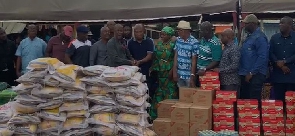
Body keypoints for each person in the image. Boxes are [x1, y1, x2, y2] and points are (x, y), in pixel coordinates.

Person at [149, 26, 178, 120]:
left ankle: (170, 117)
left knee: (170, 93)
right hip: (160, 72)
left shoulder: (173, 45)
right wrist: (152, 68)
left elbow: (175, 59)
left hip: (169, 72)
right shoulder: (159, 44)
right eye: (161, 34)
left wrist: (172, 71)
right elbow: (155, 57)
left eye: (164, 34)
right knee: (159, 94)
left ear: (169, 35)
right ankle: (155, 117)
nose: (162, 36)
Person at [239, 14, 269, 100]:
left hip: (255, 75)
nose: (244, 25)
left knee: (253, 101)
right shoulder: (249, 36)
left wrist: (252, 72)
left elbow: (262, 57)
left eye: (246, 23)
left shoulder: (260, 38)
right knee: (245, 100)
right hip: (246, 73)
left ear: (252, 24)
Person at [270, 16, 295, 101]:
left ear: (290, 25)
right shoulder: (274, 38)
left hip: (292, 76)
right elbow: (270, 53)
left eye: (283, 23)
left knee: (291, 103)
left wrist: (285, 61)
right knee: (279, 103)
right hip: (278, 76)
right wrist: (279, 64)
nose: (280, 25)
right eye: (280, 23)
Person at [173, 21, 199, 87]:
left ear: (186, 31)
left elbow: (194, 60)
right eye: (178, 30)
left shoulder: (194, 42)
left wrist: (192, 75)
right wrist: (174, 71)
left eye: (180, 30)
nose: (178, 32)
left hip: (188, 76)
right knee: (181, 95)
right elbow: (176, 56)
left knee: (190, 95)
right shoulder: (178, 40)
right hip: (179, 74)